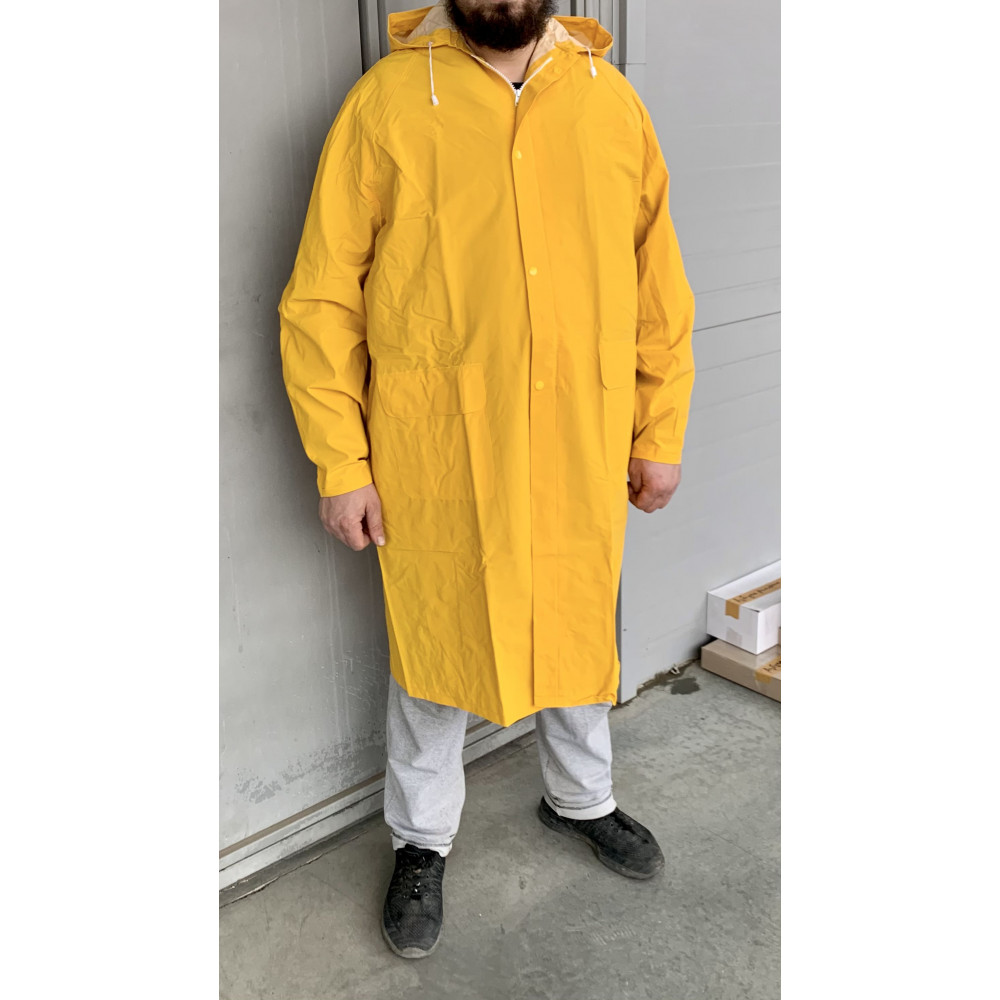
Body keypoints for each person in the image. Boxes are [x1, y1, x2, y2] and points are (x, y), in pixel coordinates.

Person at [278, 0, 695, 960]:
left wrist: (660, 427)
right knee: (437, 647)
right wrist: (341, 461)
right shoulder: (387, 104)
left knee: (576, 619)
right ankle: (421, 841)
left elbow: (657, 283)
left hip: (579, 437)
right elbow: (323, 296)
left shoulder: (609, 102)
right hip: (440, 448)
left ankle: (582, 799)